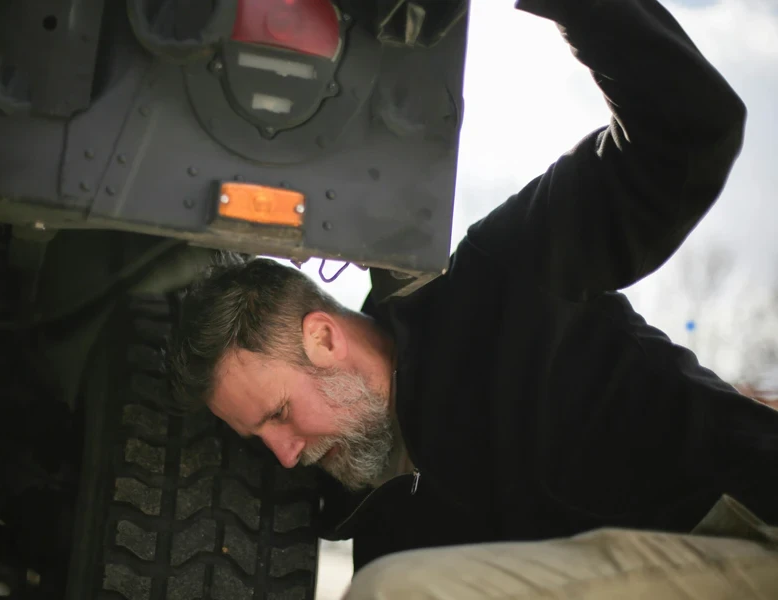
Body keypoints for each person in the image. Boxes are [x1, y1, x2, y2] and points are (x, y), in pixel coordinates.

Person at [169, 0, 778, 595]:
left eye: (277, 415)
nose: (283, 455)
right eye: (260, 439)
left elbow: (690, 129)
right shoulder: (388, 532)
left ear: (323, 337)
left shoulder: (504, 279)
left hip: (745, 532)